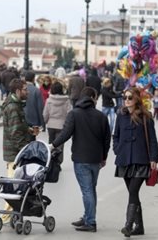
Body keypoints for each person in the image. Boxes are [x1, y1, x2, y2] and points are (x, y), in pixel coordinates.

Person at [52, 87, 110, 232]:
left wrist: (52, 145)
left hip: (81, 159)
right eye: (96, 97)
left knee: (87, 190)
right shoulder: (101, 116)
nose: (97, 100)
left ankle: (90, 222)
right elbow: (107, 139)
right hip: (96, 159)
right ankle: (87, 216)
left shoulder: (74, 114)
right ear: (92, 98)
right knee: (91, 189)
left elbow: (65, 133)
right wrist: (104, 156)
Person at [113, 87, 158, 237]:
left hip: (141, 160)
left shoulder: (146, 117)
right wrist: (117, 149)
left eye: (129, 98)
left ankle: (128, 225)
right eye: (125, 97)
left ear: (137, 99)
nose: (126, 100)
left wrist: (154, 158)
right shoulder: (120, 115)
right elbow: (116, 135)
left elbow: (152, 139)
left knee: (133, 191)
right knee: (133, 194)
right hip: (124, 159)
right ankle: (139, 227)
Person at [1, 78, 37, 223]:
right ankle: (5, 217)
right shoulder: (14, 107)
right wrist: (26, 150)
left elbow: (18, 127)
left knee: (15, 185)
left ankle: (10, 215)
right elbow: (15, 133)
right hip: (15, 153)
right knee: (14, 186)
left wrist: (29, 130)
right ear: (17, 91)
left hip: (13, 151)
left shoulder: (15, 105)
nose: (27, 92)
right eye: (25, 89)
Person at [43, 81, 71, 164]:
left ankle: (50, 161)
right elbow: (69, 113)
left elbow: (45, 113)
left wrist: (45, 122)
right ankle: (58, 163)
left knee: (51, 144)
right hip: (62, 125)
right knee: (60, 145)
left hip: (51, 125)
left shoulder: (49, 100)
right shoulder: (66, 100)